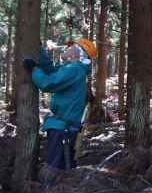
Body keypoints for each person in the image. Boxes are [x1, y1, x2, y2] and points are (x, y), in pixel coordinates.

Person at [21, 38, 97, 170]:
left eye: (71, 46)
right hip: (64, 128)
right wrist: (40, 50)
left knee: (53, 171)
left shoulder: (73, 69)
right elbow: (51, 69)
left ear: (78, 53)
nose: (66, 48)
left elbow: (48, 83)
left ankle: (50, 190)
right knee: (60, 169)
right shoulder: (71, 69)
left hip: (63, 129)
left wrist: (34, 69)